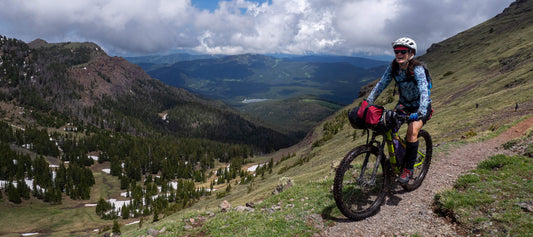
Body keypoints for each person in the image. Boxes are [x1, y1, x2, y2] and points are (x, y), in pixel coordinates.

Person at [365, 37, 432, 184]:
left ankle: (408, 169)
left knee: (412, 132)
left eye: (403, 51)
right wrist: (368, 102)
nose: (399, 54)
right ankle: (398, 158)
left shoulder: (418, 68)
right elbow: (381, 84)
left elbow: (423, 90)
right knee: (388, 128)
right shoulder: (393, 67)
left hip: (420, 106)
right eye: (396, 51)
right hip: (403, 105)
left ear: (411, 53)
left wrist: (420, 111)